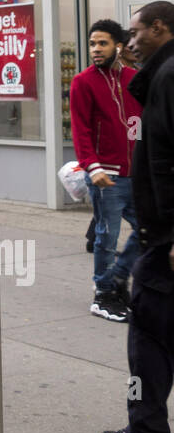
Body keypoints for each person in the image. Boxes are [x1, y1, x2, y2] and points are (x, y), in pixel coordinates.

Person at [101, 1, 174, 433]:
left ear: (160, 28)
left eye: (136, 32)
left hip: (163, 241)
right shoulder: (161, 78)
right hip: (161, 236)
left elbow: (168, 164)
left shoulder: (167, 80)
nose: (130, 42)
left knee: (145, 339)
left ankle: (146, 430)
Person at [69, 19, 142, 321]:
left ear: (118, 46)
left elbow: (142, 125)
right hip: (105, 174)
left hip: (136, 174)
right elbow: (80, 129)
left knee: (151, 230)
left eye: (103, 43)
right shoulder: (83, 82)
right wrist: (92, 165)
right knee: (106, 237)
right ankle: (103, 295)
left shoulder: (135, 79)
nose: (96, 49)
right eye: (92, 43)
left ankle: (118, 280)